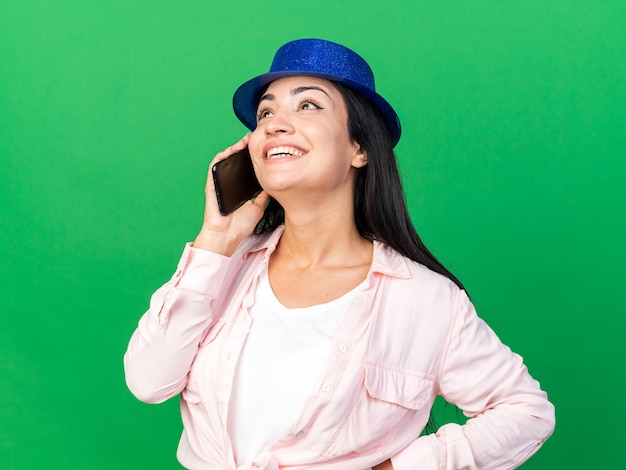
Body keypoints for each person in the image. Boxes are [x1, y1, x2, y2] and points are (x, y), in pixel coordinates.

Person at [124, 38, 555, 470]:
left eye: (308, 105)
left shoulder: (426, 301)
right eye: (266, 112)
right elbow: (148, 381)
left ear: (360, 148)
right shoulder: (221, 268)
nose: (275, 124)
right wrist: (216, 237)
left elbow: (527, 412)